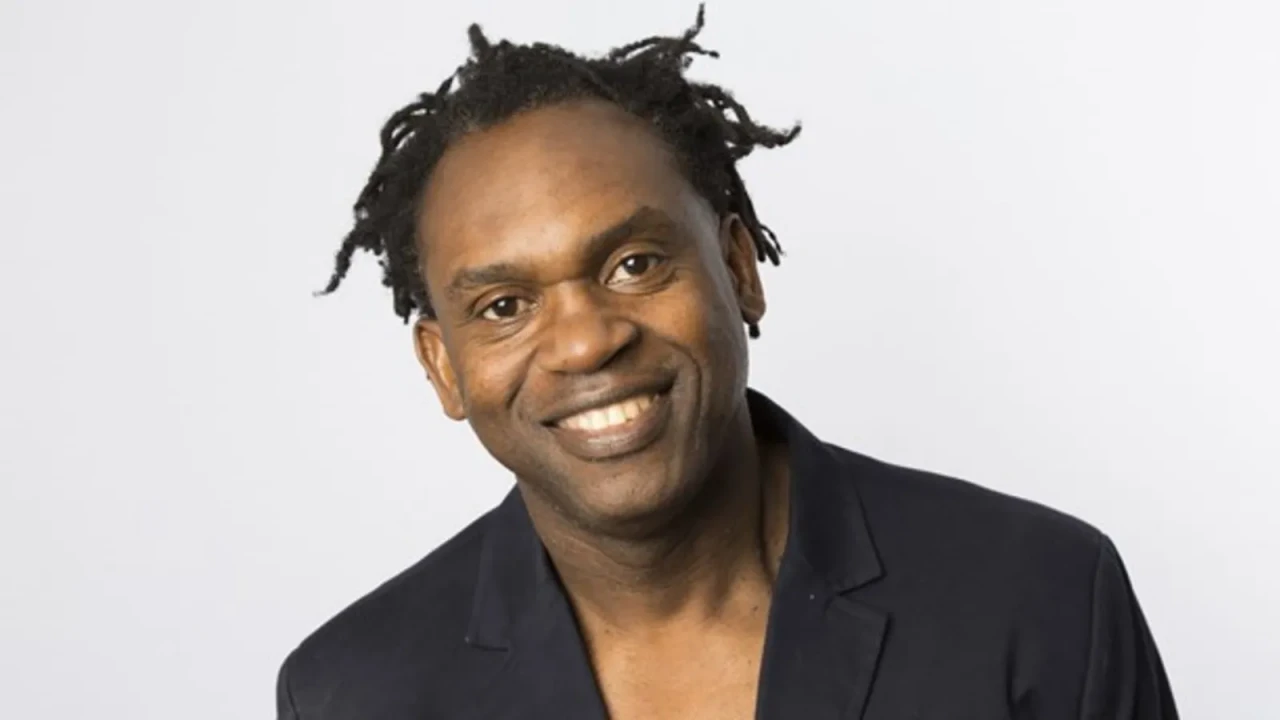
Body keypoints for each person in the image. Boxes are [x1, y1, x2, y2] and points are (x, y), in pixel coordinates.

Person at [277, 8, 1177, 719]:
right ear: (442, 366)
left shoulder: (1042, 597)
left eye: (634, 264)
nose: (586, 341)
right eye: (505, 307)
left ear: (740, 270)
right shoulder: (352, 694)